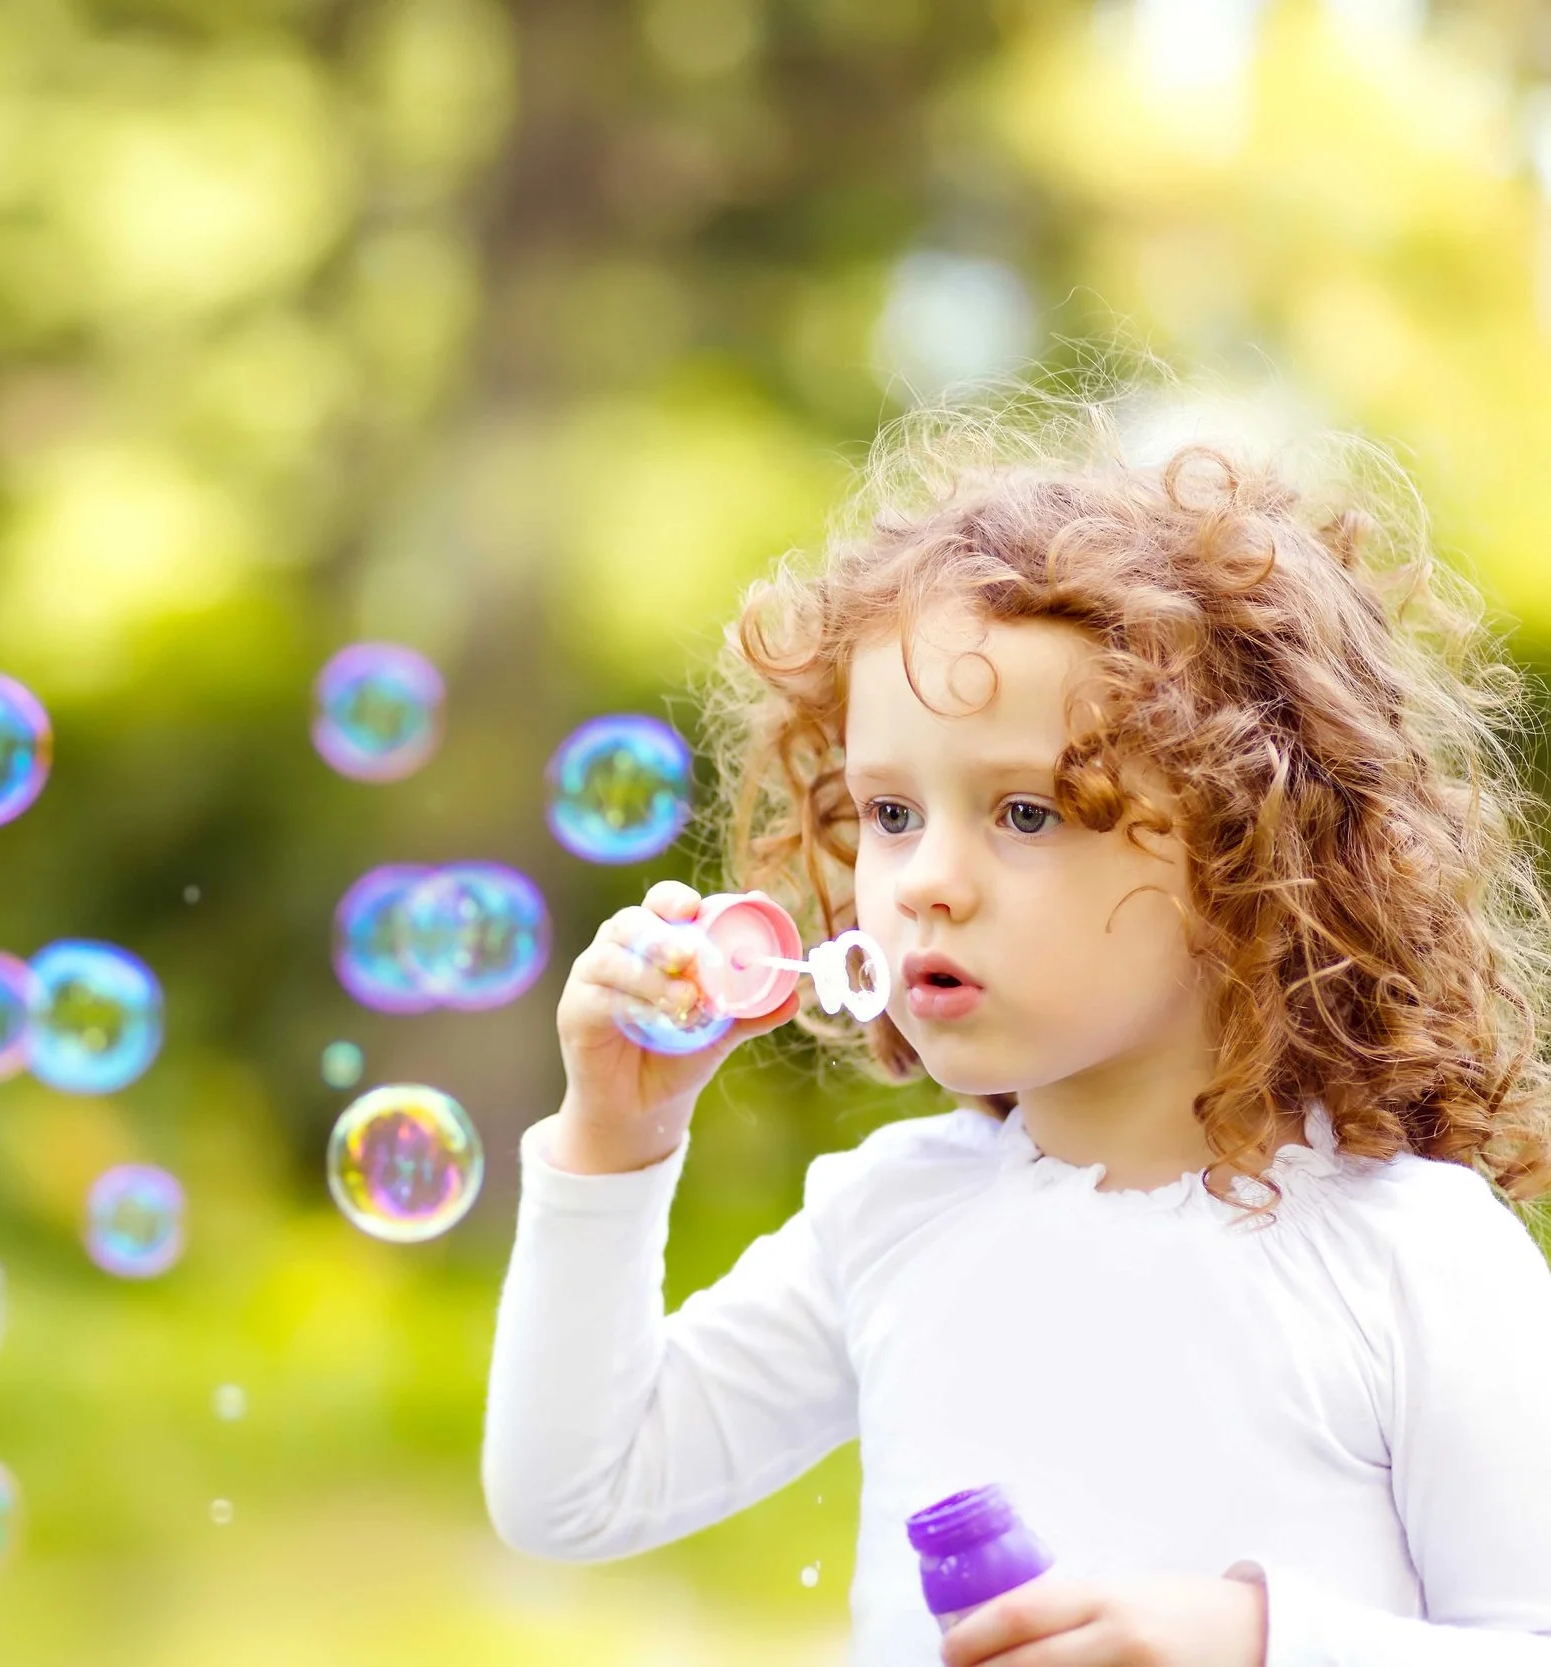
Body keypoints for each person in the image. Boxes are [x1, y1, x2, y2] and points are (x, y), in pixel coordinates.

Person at [481, 383, 1551, 1666]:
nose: (923, 878)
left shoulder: (1411, 1256)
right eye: (885, 812)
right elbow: (571, 1494)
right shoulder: (889, 1218)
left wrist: (1260, 1641)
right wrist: (613, 1140)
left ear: (1248, 854)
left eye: (1027, 813)